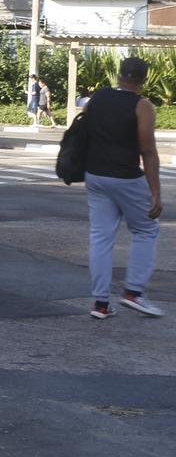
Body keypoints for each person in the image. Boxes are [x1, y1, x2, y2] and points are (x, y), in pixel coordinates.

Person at [84, 57, 164, 319]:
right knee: (146, 228)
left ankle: (101, 304)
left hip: (95, 175)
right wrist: (155, 192)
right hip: (125, 177)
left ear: (119, 75)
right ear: (143, 79)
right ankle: (134, 293)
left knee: (101, 238)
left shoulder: (98, 98)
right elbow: (148, 151)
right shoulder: (143, 106)